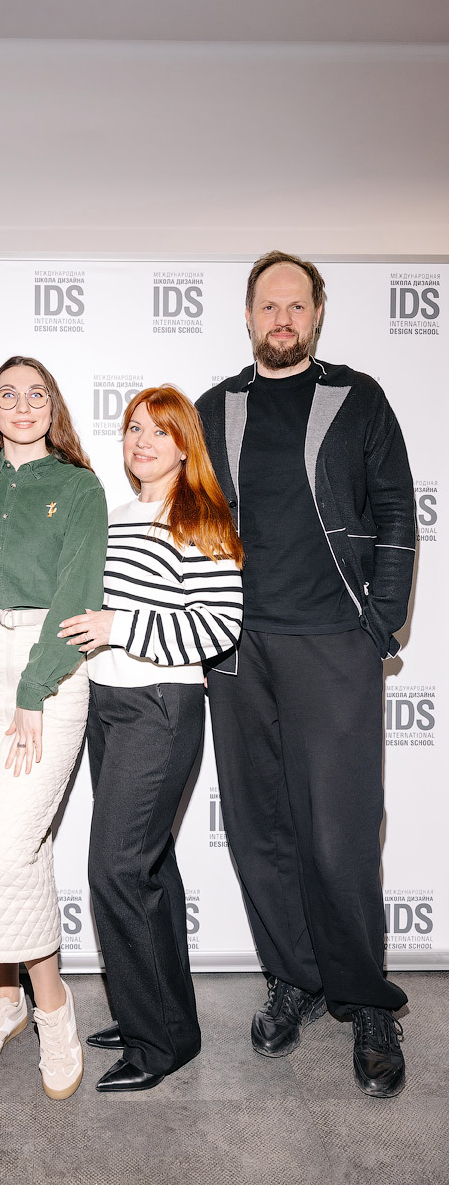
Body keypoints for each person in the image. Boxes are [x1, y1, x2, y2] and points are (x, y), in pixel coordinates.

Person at [196, 251, 416, 1098]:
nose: (282, 319)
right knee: (261, 826)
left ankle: (365, 1000)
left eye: (296, 305)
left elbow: (395, 508)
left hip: (333, 643)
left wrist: (380, 620)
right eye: (268, 306)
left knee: (341, 832)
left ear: (317, 314)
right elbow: (188, 516)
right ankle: (293, 978)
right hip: (239, 647)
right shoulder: (216, 406)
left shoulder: (358, 398)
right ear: (249, 316)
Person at [58, 386, 243, 1092]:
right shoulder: (120, 515)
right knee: (150, 868)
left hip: (160, 706)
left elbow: (218, 627)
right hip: (108, 703)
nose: (143, 441)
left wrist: (119, 627)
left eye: (160, 432)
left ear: (185, 445)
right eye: (134, 428)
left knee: (116, 869)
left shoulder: (200, 520)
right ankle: (163, 1019)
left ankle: (154, 1042)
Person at [0, 355, 108, 1101]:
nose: (23, 405)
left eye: (37, 394)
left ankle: (52, 1006)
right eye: (8, 394)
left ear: (54, 407)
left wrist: (34, 690)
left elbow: (78, 593)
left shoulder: (80, 488)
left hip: (46, 669)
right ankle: (4, 999)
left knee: (11, 841)